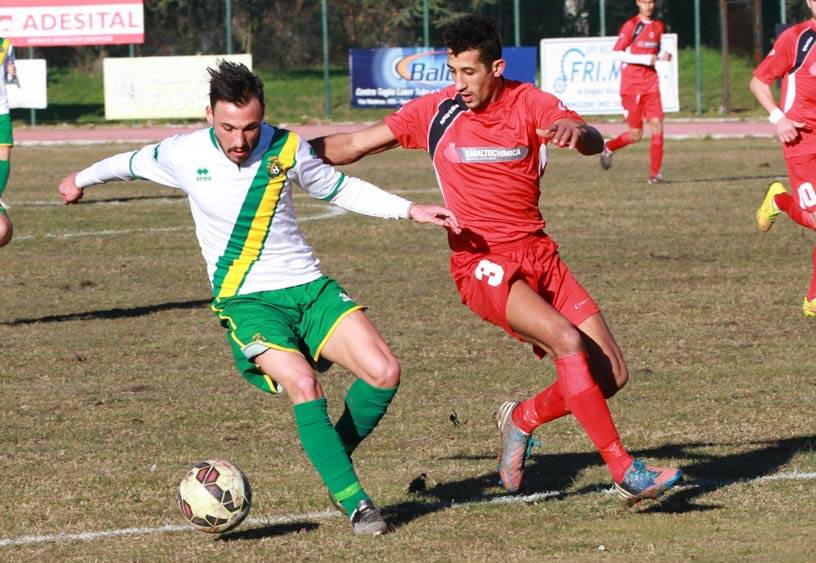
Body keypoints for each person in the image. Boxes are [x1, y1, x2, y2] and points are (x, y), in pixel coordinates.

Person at [58, 61, 459, 535]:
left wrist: (409, 209)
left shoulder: (285, 146)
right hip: (245, 301)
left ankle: (333, 459)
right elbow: (125, 164)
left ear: (263, 117)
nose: (240, 141)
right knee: (304, 383)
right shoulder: (181, 153)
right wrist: (79, 179)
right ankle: (356, 503)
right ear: (209, 115)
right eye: (228, 127)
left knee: (384, 372)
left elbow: (339, 188)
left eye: (250, 128)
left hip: (308, 288)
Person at [311, 15, 682, 505]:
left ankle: (521, 418)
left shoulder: (530, 103)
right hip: (481, 263)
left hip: (539, 253)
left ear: (497, 67)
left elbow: (589, 139)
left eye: (469, 72)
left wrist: (577, 130)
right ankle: (624, 469)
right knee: (566, 340)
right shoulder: (436, 112)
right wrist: (282, 152)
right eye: (452, 70)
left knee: (611, 374)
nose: (458, 83)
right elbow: (353, 145)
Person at [752, 0, 816, 318]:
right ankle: (779, 200)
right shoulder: (798, 38)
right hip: (802, 139)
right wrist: (779, 118)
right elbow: (759, 82)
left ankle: (814, 300)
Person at [600, 0, 671, 184]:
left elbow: (654, 51)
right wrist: (646, 58)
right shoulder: (632, 25)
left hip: (651, 84)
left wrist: (663, 56)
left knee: (657, 124)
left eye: (652, 2)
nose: (649, 6)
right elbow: (617, 52)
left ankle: (655, 175)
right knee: (636, 135)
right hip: (632, 86)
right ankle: (609, 146)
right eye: (645, 2)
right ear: (638, 3)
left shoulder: (658, 26)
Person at [0, 36, 17, 246]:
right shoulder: (5, 44)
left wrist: (12, 72)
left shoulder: (5, 44)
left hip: (1, 110)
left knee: (4, 153)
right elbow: (11, 76)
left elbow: (11, 75)